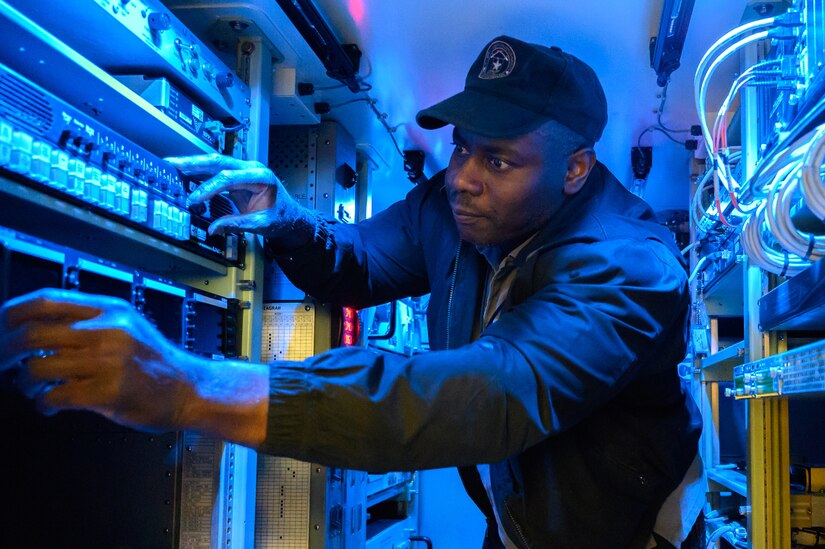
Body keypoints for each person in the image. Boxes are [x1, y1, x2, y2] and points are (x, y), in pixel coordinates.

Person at [0, 36, 703, 548]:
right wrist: (286, 219)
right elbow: (361, 263)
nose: (462, 175)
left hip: (625, 531)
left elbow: (493, 391)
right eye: (460, 146)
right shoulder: (452, 206)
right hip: (515, 515)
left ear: (575, 168)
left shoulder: (629, 266)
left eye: (497, 159)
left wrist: (190, 387)